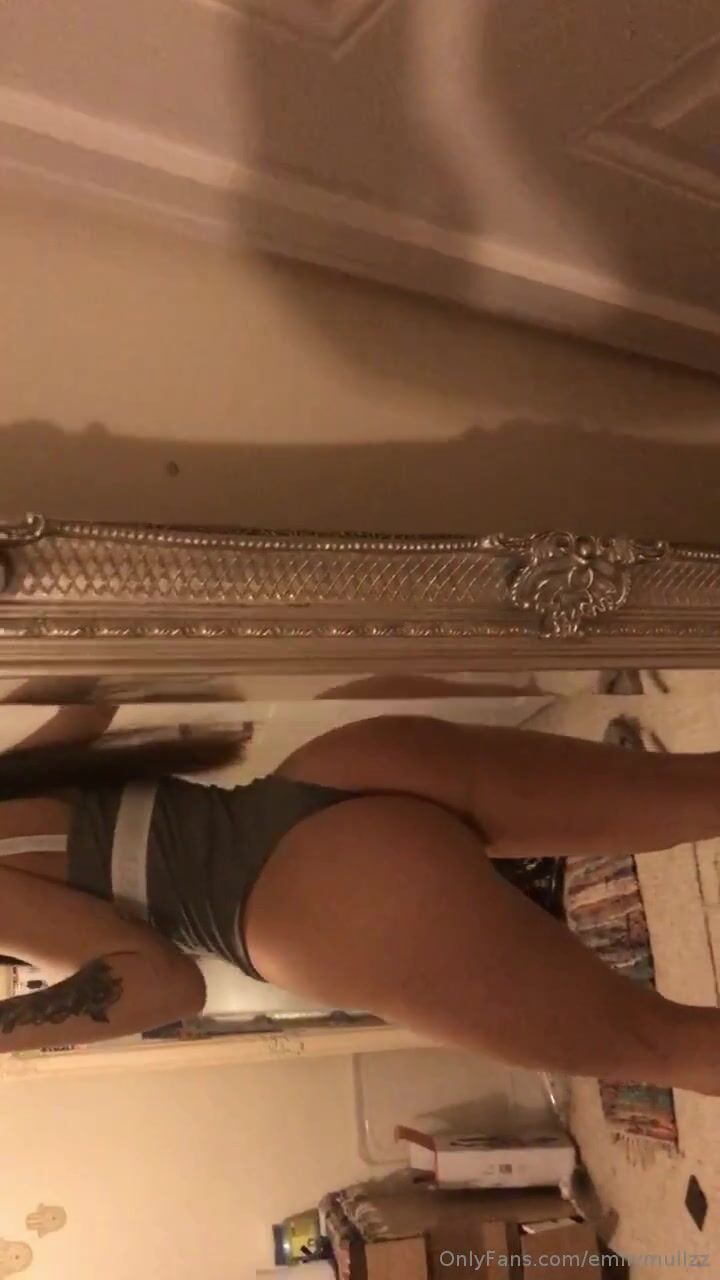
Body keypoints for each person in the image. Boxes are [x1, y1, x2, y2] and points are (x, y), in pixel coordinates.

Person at [0, 694, 719, 1097]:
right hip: (344, 769)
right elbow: (92, 691)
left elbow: (167, 986)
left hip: (317, 905)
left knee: (667, 1049)